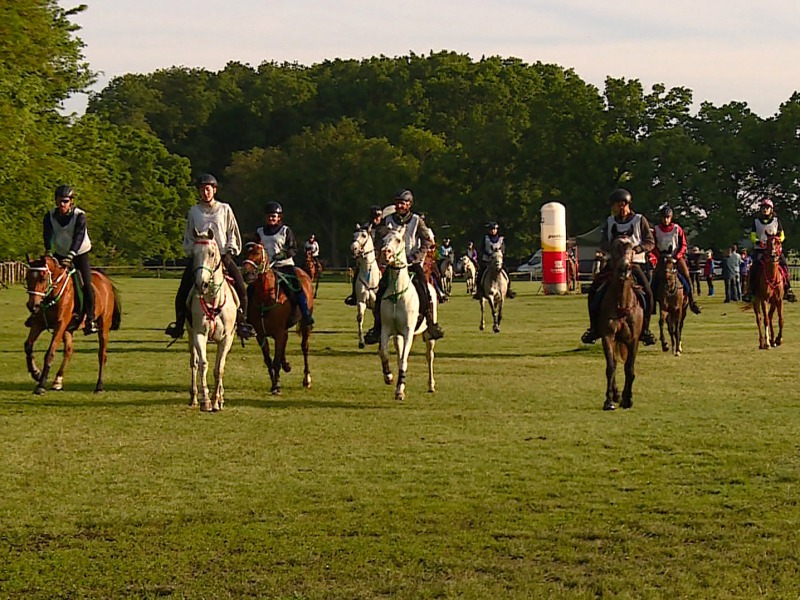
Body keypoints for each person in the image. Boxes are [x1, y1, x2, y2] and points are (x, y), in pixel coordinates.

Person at [165, 174, 255, 340]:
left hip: (221, 255)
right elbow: (189, 235)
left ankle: (242, 323)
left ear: (214, 190)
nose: (205, 192)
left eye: (208, 189)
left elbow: (231, 232)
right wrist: (193, 251)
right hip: (201, 257)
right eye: (202, 189)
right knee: (182, 291)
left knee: (241, 288)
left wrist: (229, 250)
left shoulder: (224, 209)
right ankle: (179, 325)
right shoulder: (193, 211)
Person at [363, 189, 444, 345]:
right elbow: (380, 238)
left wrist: (416, 256)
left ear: (409, 204)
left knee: (424, 290)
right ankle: (377, 327)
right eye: (398, 202)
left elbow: (427, 241)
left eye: (403, 203)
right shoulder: (388, 220)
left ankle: (430, 324)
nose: (400, 205)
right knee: (380, 293)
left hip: (412, 263)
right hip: (393, 264)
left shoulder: (417, 220)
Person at [581, 188, 657, 346]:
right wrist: (610, 249)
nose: (614, 209)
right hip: (613, 264)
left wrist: (635, 250)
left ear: (624, 205)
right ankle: (594, 328)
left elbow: (650, 242)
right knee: (594, 291)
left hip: (635, 263)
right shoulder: (610, 222)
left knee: (648, 294)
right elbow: (603, 241)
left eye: (615, 205)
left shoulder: (639, 220)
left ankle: (645, 330)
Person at [43, 184, 98, 334]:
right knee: (46, 281)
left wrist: (71, 255)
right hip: (60, 252)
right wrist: (49, 250)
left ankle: (90, 319)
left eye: (65, 201)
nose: (62, 204)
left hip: (80, 252)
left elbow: (78, 237)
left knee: (86, 284)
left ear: (71, 202)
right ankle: (41, 314)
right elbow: (48, 235)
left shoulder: (79, 215)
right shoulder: (50, 216)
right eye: (59, 201)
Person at [255, 201, 315, 326]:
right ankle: (247, 320)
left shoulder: (285, 231)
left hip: (284, 266)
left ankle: (305, 313)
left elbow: (293, 249)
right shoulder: (259, 232)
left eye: (274, 216)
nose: (271, 218)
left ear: (279, 217)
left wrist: (282, 254)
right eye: (269, 216)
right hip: (265, 268)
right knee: (251, 289)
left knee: (296, 287)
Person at [651, 205, 701, 314]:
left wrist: (677, 257)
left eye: (668, 217)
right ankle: (653, 304)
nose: (666, 219)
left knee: (686, 275)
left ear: (671, 217)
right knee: (654, 277)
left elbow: (683, 244)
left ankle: (692, 301)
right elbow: (653, 245)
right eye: (664, 217)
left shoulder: (677, 229)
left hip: (675, 256)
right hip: (662, 257)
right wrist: (658, 256)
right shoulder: (656, 230)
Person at [747, 198, 797, 302]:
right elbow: (752, 236)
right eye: (763, 208)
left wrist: (778, 240)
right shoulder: (756, 222)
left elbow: (782, 235)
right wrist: (758, 242)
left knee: (784, 265)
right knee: (755, 266)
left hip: (775, 249)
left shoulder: (776, 221)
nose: (765, 210)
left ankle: (788, 288)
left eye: (767, 208)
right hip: (761, 249)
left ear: (771, 209)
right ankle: (751, 291)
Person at [344, 204, 384, 306]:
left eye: (378, 217)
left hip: (381, 256)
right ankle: (354, 295)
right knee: (358, 273)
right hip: (366, 257)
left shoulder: (383, 228)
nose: (376, 219)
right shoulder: (365, 228)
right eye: (374, 217)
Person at [473, 222, 516, 300]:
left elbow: (503, 249)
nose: (493, 231)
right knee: (480, 273)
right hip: (488, 260)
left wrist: (499, 254)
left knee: (506, 272)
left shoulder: (501, 239)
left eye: (494, 229)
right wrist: (489, 253)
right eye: (491, 229)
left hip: (498, 260)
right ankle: (479, 291)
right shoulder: (485, 238)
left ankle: (508, 289)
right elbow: (482, 249)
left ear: (497, 230)